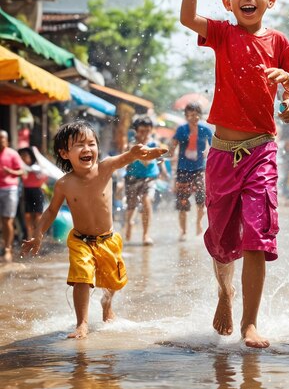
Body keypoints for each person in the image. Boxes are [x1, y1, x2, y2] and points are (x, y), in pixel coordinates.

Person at [179, 0, 289, 348]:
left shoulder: (281, 43)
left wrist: (287, 91)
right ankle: (225, 293)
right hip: (220, 153)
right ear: (227, 2)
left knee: (258, 234)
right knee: (221, 240)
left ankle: (251, 323)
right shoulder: (221, 33)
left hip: (261, 150)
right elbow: (186, 18)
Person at [21, 120, 168, 339]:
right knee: (82, 278)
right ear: (64, 153)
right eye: (80, 145)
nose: (87, 149)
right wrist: (38, 234)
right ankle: (82, 324)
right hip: (81, 240)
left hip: (108, 239)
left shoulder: (105, 167)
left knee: (112, 281)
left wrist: (138, 153)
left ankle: (107, 306)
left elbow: (126, 157)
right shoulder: (64, 184)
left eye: (91, 143)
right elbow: (51, 211)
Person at [167, 102, 213, 240]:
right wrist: (168, 151)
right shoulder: (182, 130)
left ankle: (199, 223)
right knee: (182, 202)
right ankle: (184, 231)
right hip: (183, 170)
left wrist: (209, 154)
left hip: (199, 169)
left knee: (201, 200)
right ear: (186, 116)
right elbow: (172, 147)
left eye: (197, 114)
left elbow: (213, 147)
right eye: (191, 115)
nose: (195, 117)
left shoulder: (205, 130)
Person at [124, 116, 165, 245]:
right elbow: (126, 159)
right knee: (131, 206)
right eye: (141, 131)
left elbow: (160, 160)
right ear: (136, 131)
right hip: (132, 178)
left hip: (150, 177)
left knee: (147, 200)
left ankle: (146, 235)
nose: (144, 134)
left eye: (147, 131)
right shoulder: (131, 144)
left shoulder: (154, 144)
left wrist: (164, 172)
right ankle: (129, 222)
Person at [0, 130, 24, 263]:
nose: (0, 141)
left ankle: (8, 249)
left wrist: (11, 172)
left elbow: (22, 171)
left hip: (9, 190)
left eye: (2, 138)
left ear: (7, 140)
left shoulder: (12, 154)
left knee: (7, 220)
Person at [18, 147, 49, 240]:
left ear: (31, 157)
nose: (23, 158)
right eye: (21, 156)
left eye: (25, 156)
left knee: (38, 215)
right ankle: (29, 237)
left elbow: (46, 176)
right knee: (27, 215)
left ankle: (37, 237)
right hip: (26, 191)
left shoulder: (37, 167)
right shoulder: (23, 168)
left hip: (37, 191)